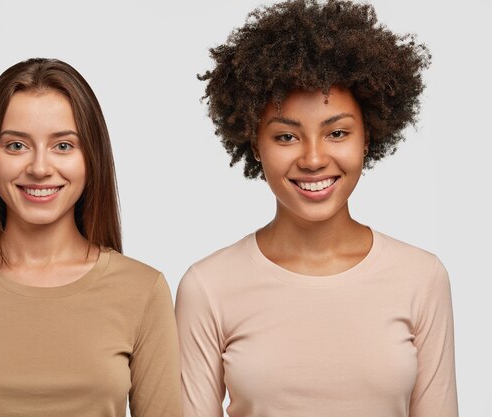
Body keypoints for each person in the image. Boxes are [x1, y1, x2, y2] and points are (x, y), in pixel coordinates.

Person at [175, 1, 457, 416]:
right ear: (256, 144)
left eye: (337, 132)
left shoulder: (421, 278)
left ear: (367, 137)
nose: (312, 159)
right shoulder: (208, 287)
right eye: (286, 137)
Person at [0, 58, 181, 417]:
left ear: (91, 158)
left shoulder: (143, 291)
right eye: (16, 146)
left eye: (63, 146)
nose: (39, 168)